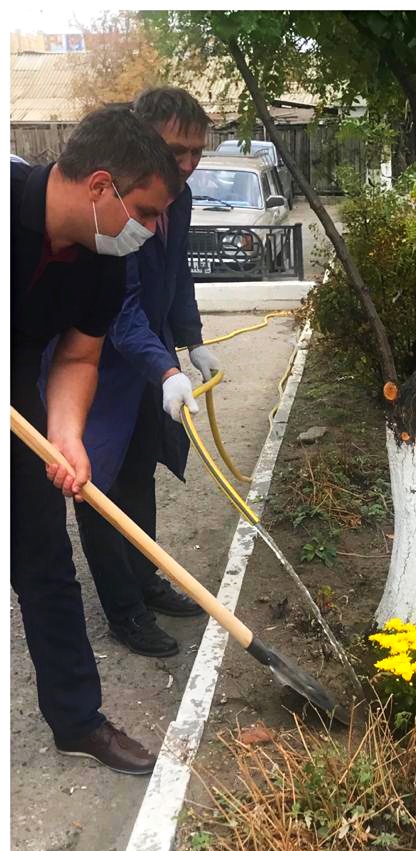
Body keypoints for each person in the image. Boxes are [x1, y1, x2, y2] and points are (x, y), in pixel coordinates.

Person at [11, 105, 180, 774]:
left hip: (20, 385)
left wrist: (67, 435)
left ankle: (78, 720)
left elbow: (78, 359)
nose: (154, 227)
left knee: (45, 562)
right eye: (147, 209)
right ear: (101, 186)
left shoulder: (102, 264)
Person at [48, 88, 217, 659]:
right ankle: (123, 610)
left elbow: (176, 273)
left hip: (153, 364)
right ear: (142, 143)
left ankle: (146, 580)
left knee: (140, 473)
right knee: (98, 488)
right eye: (177, 149)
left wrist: (190, 341)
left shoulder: (180, 197)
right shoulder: (111, 210)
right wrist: (164, 367)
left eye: (197, 151)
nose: (188, 164)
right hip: (98, 368)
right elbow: (117, 307)